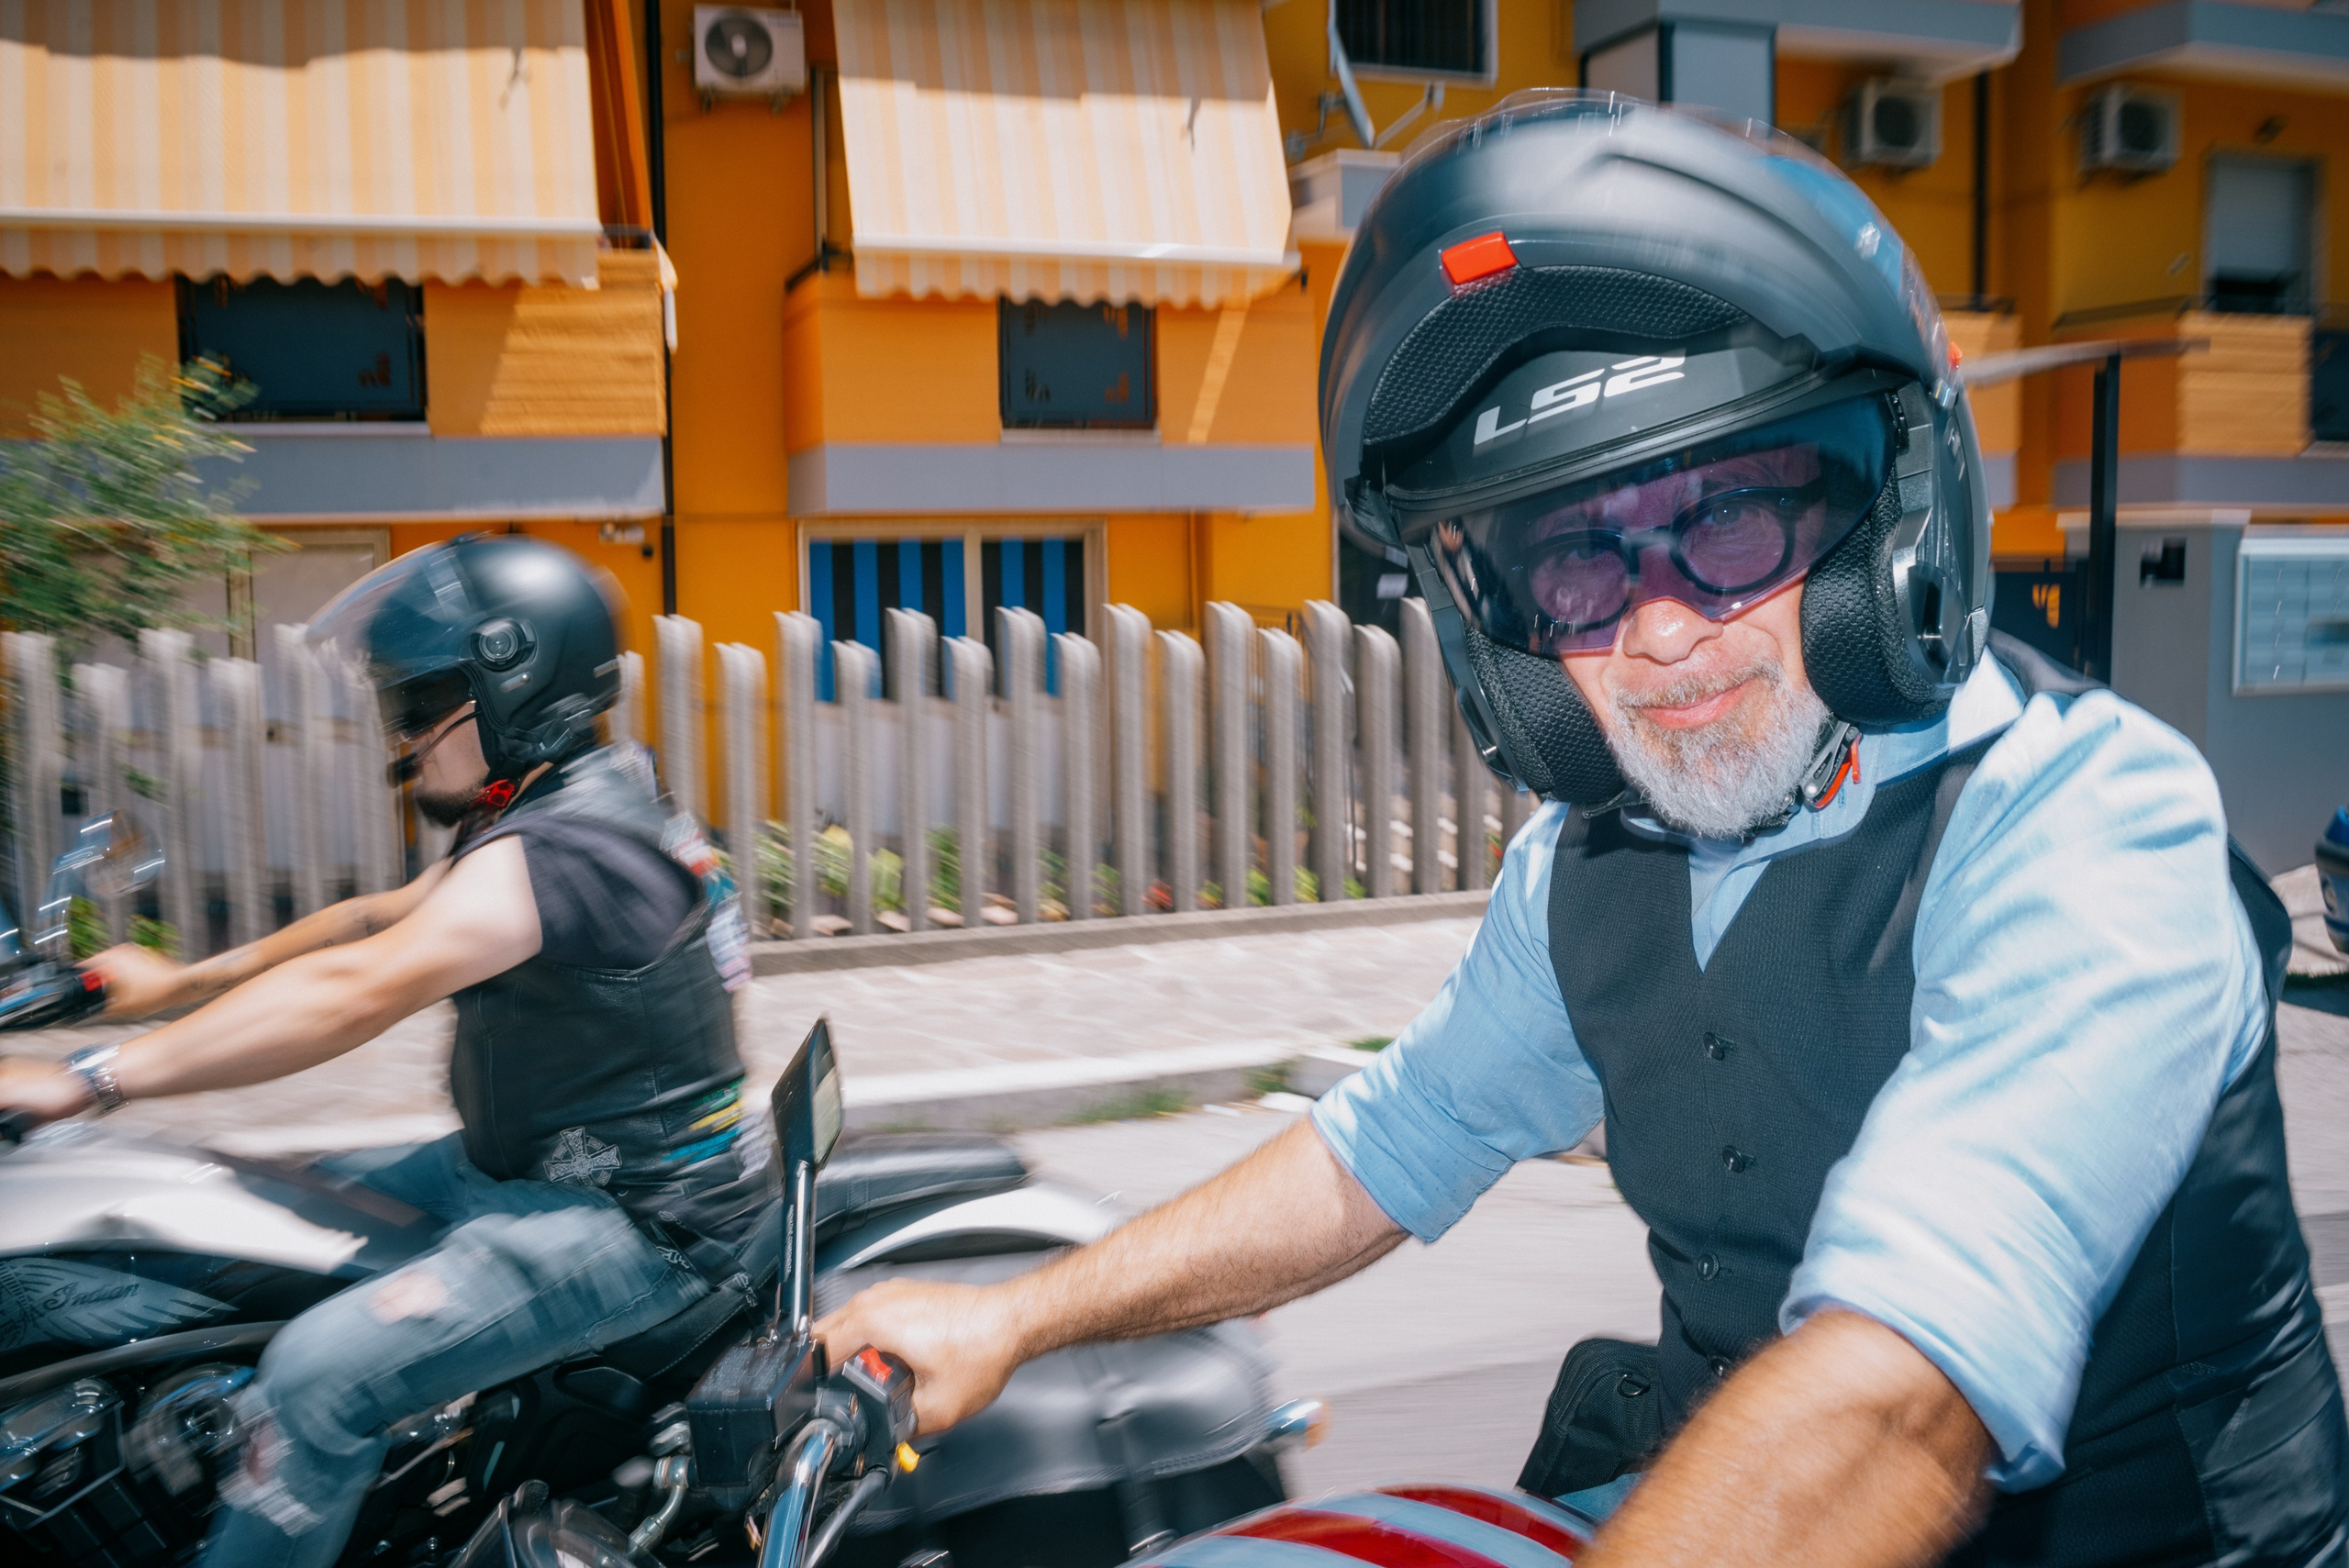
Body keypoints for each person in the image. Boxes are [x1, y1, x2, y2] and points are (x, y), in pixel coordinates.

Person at [818, 96, 2347, 1567]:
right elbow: (1390, 1143)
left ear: (1891, 519)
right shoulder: (1587, 864)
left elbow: (1900, 1389)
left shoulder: (2085, 824)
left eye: (1734, 516)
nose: (1661, 633)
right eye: (1576, 563)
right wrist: (1020, 1315)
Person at [0, 536, 774, 1568]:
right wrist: (172, 981)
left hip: (634, 1222)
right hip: (516, 1169)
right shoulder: (570, 798)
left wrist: (85, 1080)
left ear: (513, 686)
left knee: (316, 1376)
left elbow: (355, 990)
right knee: (230, 1207)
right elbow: (376, 921)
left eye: (418, 706)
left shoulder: (567, 851)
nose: (403, 742)